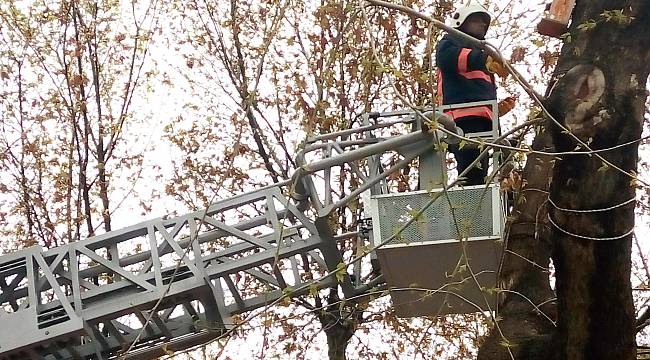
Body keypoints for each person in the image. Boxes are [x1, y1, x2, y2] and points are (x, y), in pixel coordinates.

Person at [436, 4, 516, 186]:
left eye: (484, 22)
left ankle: (480, 202)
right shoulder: (451, 41)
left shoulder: (480, 54)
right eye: (476, 20)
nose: (481, 25)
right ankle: (468, 207)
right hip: (461, 119)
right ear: (461, 22)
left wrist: (496, 111)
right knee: (471, 169)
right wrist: (483, 59)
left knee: (481, 170)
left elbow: (478, 93)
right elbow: (447, 58)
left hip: (483, 121)